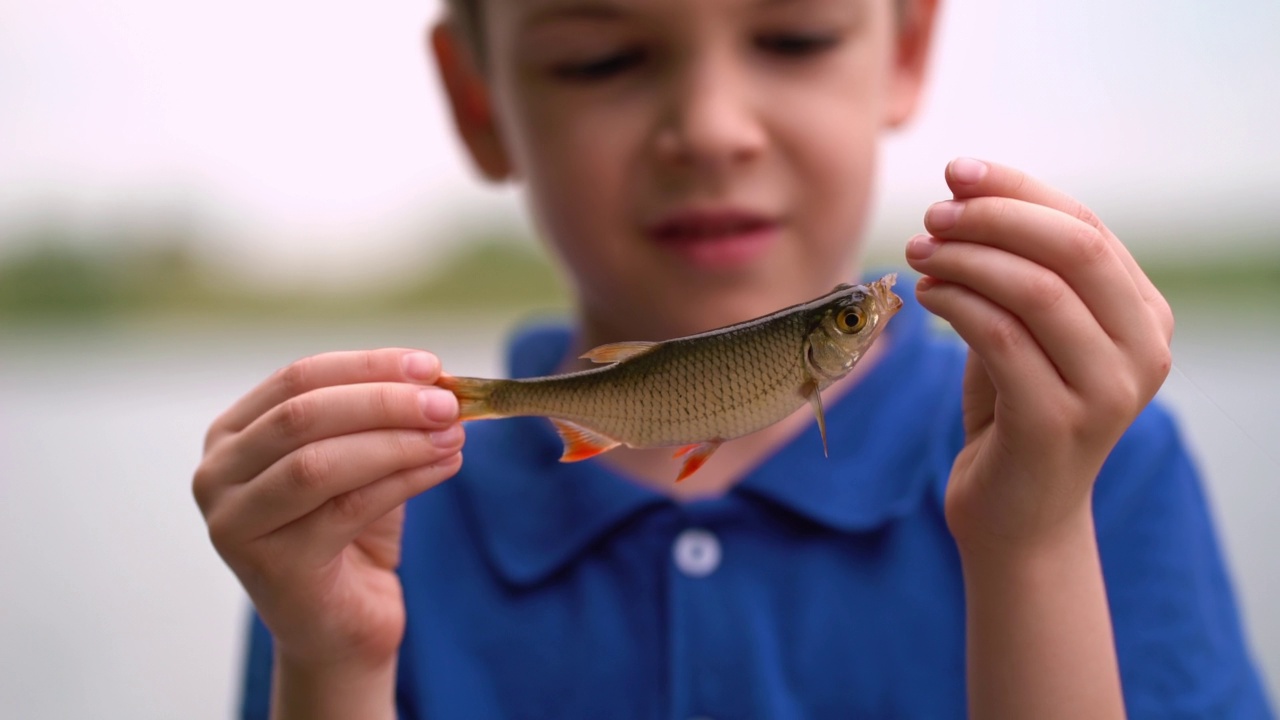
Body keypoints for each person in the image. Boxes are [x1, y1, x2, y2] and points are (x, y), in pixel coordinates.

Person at [192, 0, 1273, 717]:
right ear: (479, 101)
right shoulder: (368, 526)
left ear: (903, 49)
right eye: (600, 57)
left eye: (793, 37)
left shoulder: (1091, 461)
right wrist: (333, 663)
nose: (710, 129)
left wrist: (1031, 539)